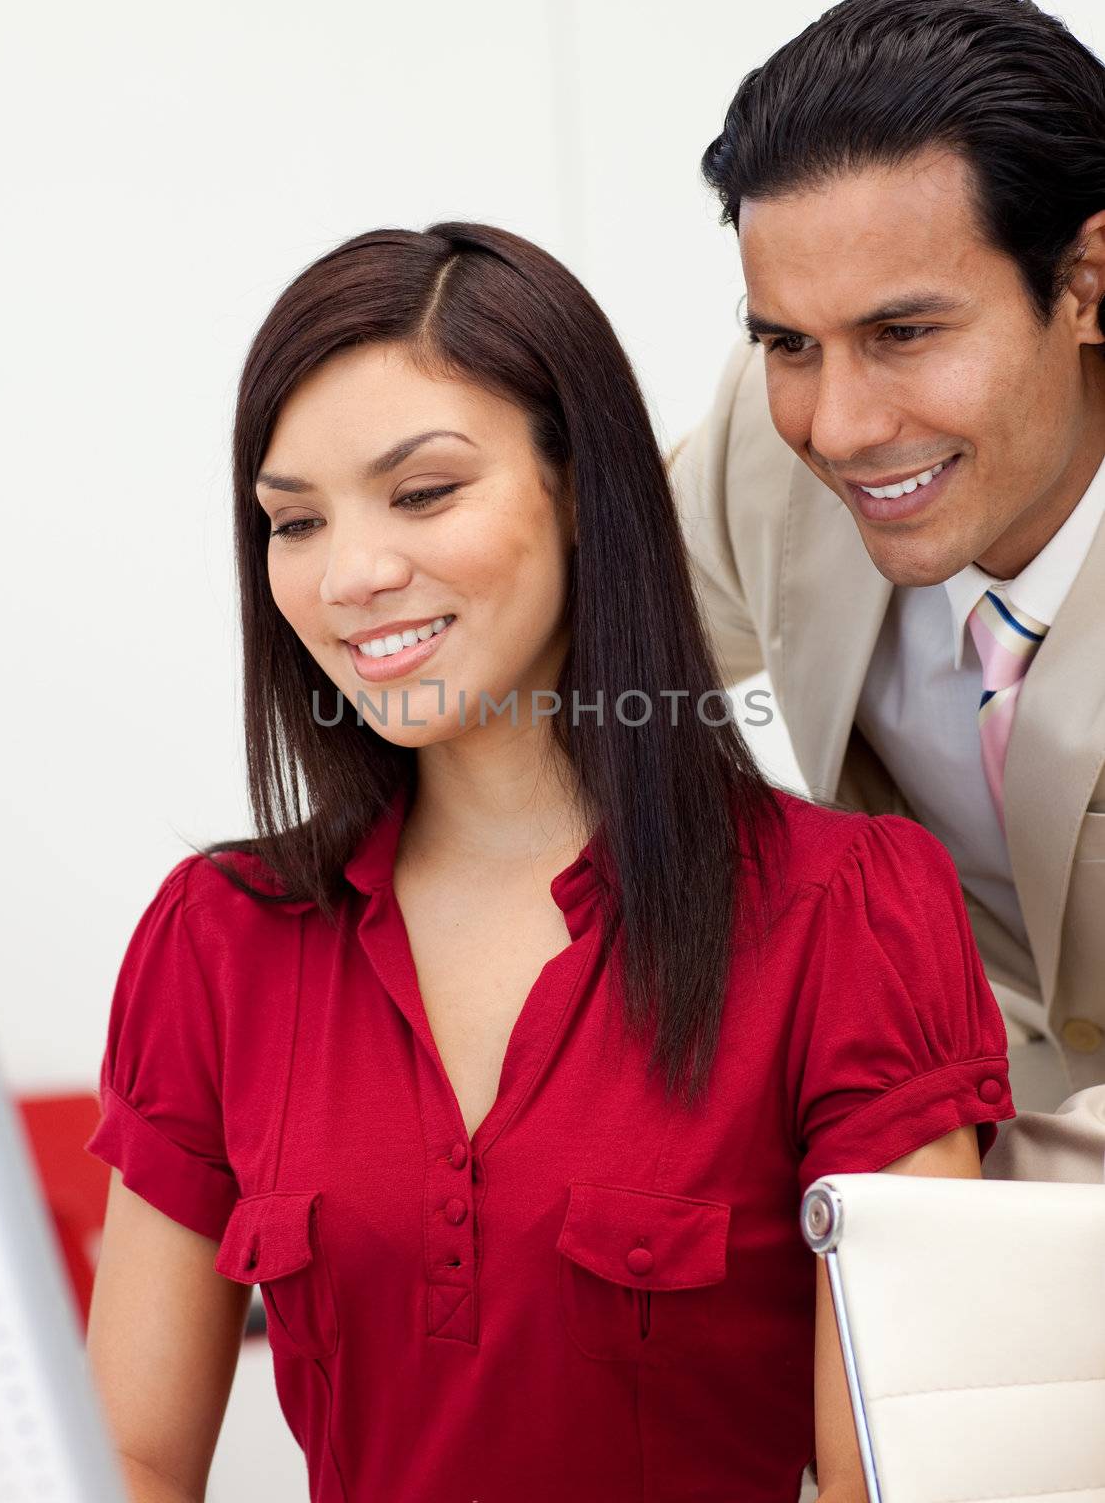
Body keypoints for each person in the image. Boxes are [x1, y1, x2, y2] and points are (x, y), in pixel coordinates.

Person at [84, 222, 1011, 1503]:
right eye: (294, 521)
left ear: (580, 490)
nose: (353, 573)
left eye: (423, 493)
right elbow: (128, 1461)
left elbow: (897, 1476)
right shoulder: (220, 938)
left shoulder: (841, 914)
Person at [669, 0, 1105, 1183]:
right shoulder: (766, 455)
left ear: (1084, 284)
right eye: (786, 343)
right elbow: (579, 666)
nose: (842, 427)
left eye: (903, 333)